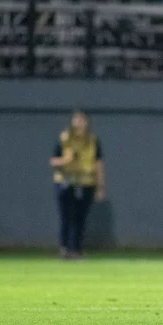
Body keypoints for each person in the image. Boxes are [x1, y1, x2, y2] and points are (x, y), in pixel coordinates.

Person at [49, 110, 106, 260]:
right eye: (76, 119)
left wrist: (100, 186)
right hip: (66, 182)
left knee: (80, 218)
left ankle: (77, 249)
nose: (79, 123)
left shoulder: (93, 141)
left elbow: (98, 164)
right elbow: (53, 161)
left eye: (83, 120)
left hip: (86, 183)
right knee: (67, 217)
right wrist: (66, 160)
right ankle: (65, 248)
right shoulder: (65, 138)